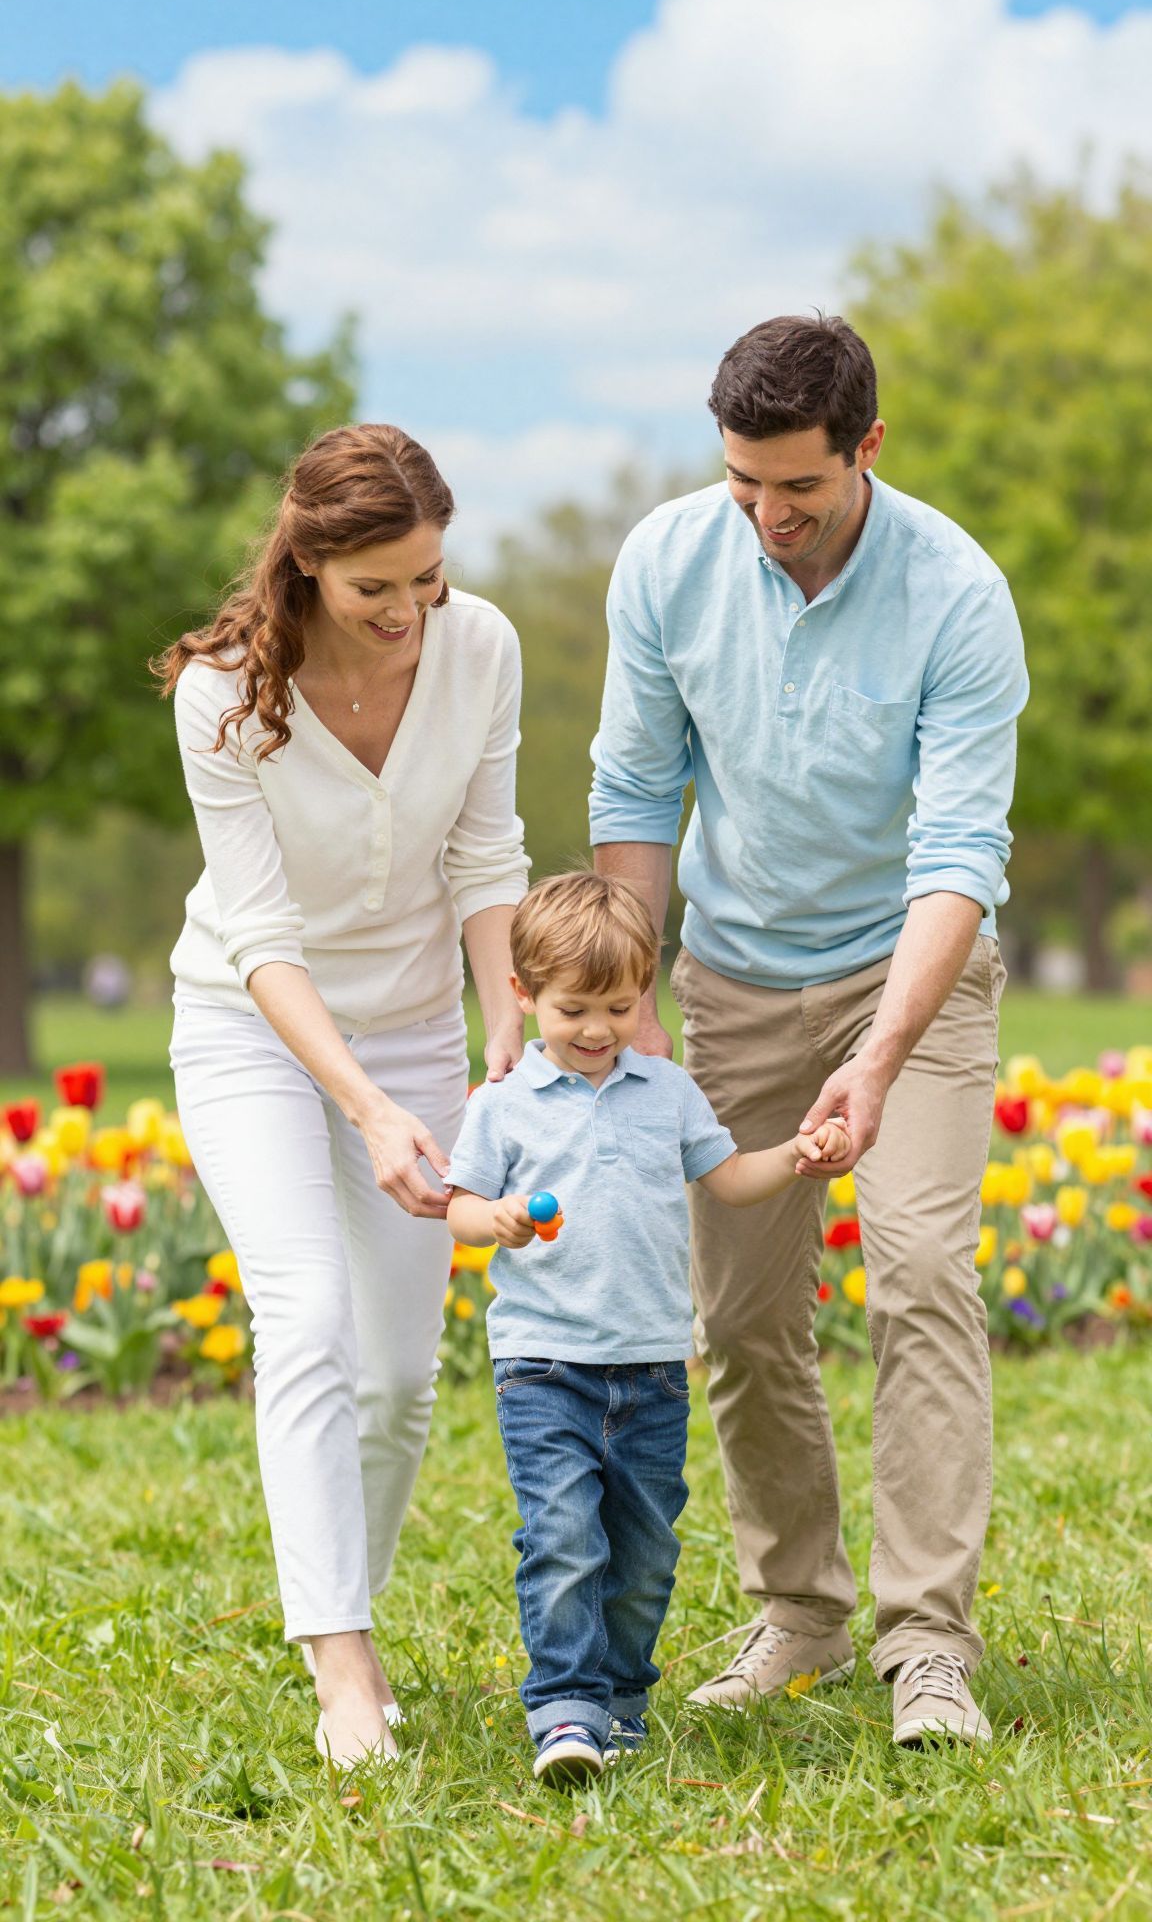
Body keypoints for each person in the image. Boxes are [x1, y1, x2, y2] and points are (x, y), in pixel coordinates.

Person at [590, 315, 1029, 1748]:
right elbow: (640, 795)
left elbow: (960, 852)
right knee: (743, 1312)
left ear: (867, 451)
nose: (771, 520)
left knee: (917, 1272)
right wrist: (633, 1001)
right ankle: (801, 1613)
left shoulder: (956, 592)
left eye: (802, 490)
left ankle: (930, 1644)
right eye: (745, 488)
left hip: (912, 975)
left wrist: (880, 1055)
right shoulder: (667, 563)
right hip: (726, 979)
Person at [155, 424, 529, 1769]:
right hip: (254, 1032)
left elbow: (489, 850)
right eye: (379, 589)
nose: (410, 615)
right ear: (308, 563)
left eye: (427, 579)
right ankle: (343, 1671)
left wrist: (505, 1028)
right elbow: (261, 941)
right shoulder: (219, 696)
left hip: (423, 1021)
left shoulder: (480, 646)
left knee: (399, 1384)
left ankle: (337, 1599)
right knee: (305, 1314)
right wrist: (368, 1112)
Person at [444, 872, 849, 1786]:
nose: (596, 1030)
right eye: (573, 1008)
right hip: (544, 1363)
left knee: (644, 1547)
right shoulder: (505, 1102)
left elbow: (729, 1178)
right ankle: (565, 1709)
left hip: (655, 1367)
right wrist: (496, 1216)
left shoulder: (666, 1091)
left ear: (646, 992)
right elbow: (457, 1208)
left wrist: (795, 1155)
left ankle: (621, 1702)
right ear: (524, 997)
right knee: (563, 1536)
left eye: (619, 1007)